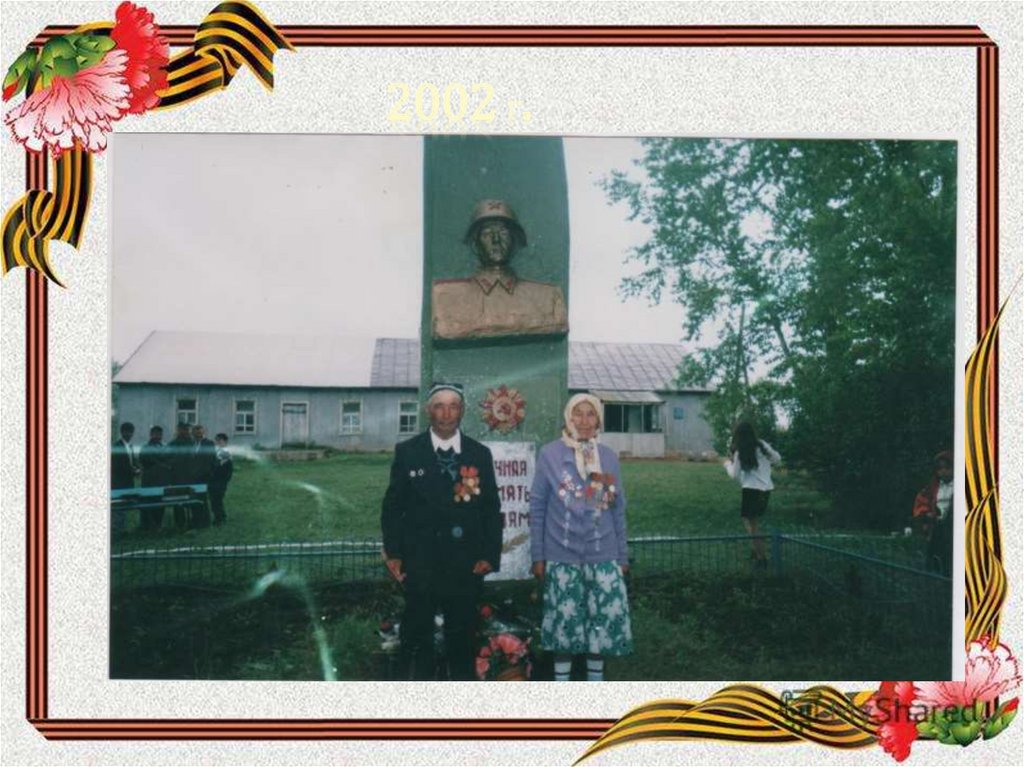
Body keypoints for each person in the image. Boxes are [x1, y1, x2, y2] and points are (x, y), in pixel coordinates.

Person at [381, 383, 503, 680]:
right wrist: (394, 553)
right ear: (428, 411)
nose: (446, 414)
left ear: (462, 411)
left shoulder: (479, 454)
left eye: (453, 406)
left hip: (465, 564)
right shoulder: (408, 452)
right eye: (439, 406)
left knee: (462, 641)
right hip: (421, 563)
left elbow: (491, 508)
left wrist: (489, 554)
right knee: (418, 638)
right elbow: (393, 507)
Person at [529, 393, 633, 682]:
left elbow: (615, 509)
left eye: (591, 414)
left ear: (598, 420)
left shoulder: (607, 458)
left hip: (603, 558)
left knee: (600, 630)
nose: (584, 421)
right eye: (578, 413)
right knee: (564, 631)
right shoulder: (550, 455)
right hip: (562, 557)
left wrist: (621, 556)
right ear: (568, 418)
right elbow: (537, 507)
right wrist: (538, 555)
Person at [431, 199, 568, 340]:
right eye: (487, 233)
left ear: (514, 242)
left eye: (503, 233)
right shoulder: (445, 296)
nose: (496, 240)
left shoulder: (549, 298)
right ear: (475, 245)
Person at [723, 421, 781, 566]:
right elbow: (777, 459)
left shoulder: (740, 451)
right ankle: (755, 551)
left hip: (751, 490)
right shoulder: (762, 445)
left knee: (752, 525)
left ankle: (762, 558)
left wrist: (728, 464)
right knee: (749, 520)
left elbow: (734, 475)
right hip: (766, 489)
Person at [913, 450, 954, 575]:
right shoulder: (934, 486)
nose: (943, 471)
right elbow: (922, 500)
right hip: (936, 525)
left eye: (947, 468)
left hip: (952, 526)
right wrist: (927, 513)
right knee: (934, 553)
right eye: (940, 469)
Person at [138, 425, 171, 531]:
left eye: (160, 434)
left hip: (162, 481)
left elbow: (169, 460)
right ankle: (147, 526)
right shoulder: (145, 448)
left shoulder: (165, 447)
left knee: (160, 503)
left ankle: (158, 524)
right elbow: (146, 461)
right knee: (148, 503)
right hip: (150, 481)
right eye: (155, 434)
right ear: (151, 435)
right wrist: (162, 464)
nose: (158, 436)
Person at [111, 421, 139, 536]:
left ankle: (121, 529)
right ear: (122, 432)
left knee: (123, 506)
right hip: (118, 481)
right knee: (118, 506)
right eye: (127, 432)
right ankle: (116, 531)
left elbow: (132, 462)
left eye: (131, 432)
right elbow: (116, 465)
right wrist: (132, 470)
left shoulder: (130, 446)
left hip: (128, 481)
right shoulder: (116, 446)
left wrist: (136, 468)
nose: (129, 434)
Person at [166, 423, 195, 531]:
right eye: (183, 429)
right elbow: (167, 459)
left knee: (191, 500)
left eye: (187, 430)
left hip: (190, 476)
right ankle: (180, 523)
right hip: (177, 476)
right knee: (178, 501)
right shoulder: (173, 444)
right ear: (178, 430)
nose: (186, 432)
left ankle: (191, 522)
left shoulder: (192, 443)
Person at [189, 424, 217, 529]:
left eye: (200, 432)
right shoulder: (191, 444)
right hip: (192, 477)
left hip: (204, 476)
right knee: (193, 498)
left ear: (203, 432)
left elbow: (211, 460)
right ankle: (195, 520)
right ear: (192, 433)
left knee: (203, 499)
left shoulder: (208, 444)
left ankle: (205, 522)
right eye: (196, 432)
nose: (198, 434)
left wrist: (207, 473)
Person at [209, 433, 234, 526]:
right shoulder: (216, 451)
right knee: (214, 500)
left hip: (221, 480)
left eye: (220, 441)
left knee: (217, 499)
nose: (218, 442)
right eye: (217, 440)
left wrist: (224, 481)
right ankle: (220, 516)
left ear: (225, 442)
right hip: (213, 480)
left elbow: (227, 469)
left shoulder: (225, 452)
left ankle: (219, 518)